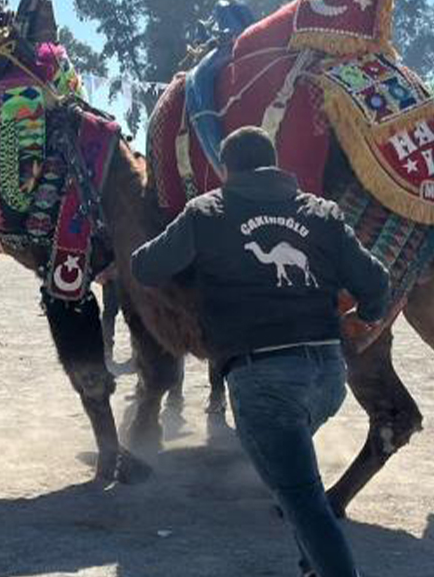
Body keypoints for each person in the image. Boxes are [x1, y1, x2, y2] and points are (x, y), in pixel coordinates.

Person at [131, 126, 389, 577]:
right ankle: (312, 564)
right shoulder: (322, 213)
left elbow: (146, 267)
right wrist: (366, 314)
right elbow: (377, 282)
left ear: (225, 169)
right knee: (293, 482)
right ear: (274, 163)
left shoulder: (207, 212)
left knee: (302, 498)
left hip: (263, 379)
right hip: (328, 376)